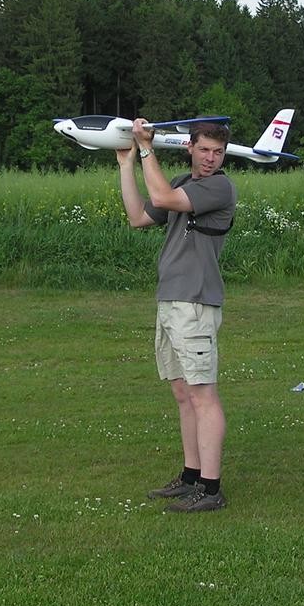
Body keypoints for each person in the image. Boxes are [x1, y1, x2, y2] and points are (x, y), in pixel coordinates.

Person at [117, 118, 237, 512]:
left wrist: (146, 148)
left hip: (195, 303)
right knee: (183, 394)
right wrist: (126, 163)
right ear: (190, 148)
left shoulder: (219, 187)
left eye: (218, 152)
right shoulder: (184, 182)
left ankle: (211, 489)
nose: (211, 158)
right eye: (204, 150)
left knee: (203, 396)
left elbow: (163, 198)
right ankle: (190, 477)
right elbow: (138, 217)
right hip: (171, 300)